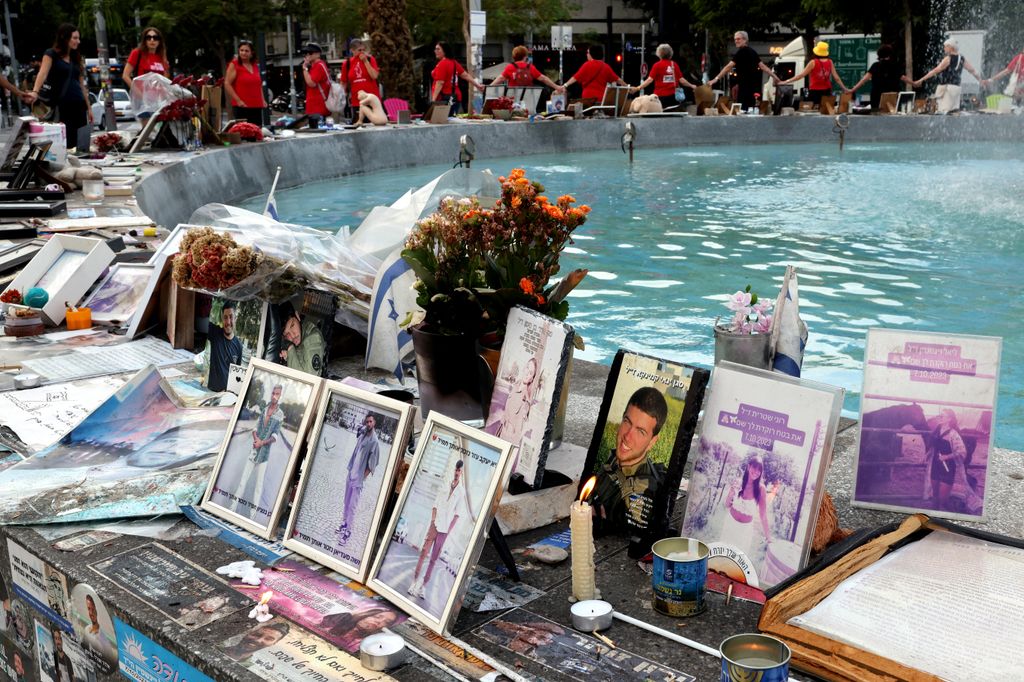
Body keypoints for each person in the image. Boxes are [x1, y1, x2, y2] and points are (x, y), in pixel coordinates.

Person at [591, 387, 668, 540]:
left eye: (640, 431)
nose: (627, 436)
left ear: (652, 442)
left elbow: (629, 542)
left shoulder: (643, 490)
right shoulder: (614, 459)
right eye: (627, 422)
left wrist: (602, 528)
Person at [408, 460, 466, 599]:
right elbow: (435, 505)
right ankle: (414, 582)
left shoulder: (461, 492)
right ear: (454, 470)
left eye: (459, 471)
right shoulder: (445, 485)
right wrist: (433, 520)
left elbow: (457, 515)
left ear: (462, 473)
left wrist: (447, 532)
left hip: (444, 531)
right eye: (456, 470)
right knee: (423, 552)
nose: (457, 473)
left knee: (434, 559)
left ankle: (423, 586)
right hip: (435, 524)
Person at [25, 24, 92, 144]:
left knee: (81, 144)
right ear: (64, 38)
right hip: (62, 106)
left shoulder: (76, 58)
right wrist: (35, 91)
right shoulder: (51, 54)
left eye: (78, 38)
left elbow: (82, 85)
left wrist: (89, 108)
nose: (78, 41)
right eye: (75, 38)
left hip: (79, 106)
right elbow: (42, 73)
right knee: (65, 143)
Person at [235, 384, 284, 516]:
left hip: (264, 455)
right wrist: (256, 439)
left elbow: (275, 436)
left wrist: (262, 443)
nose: (274, 396)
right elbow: (255, 427)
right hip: (254, 450)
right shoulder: (264, 409)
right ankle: (232, 508)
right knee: (242, 481)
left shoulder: (280, 414)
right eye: (273, 393)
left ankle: (252, 516)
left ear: (280, 396)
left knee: (258, 486)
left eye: (277, 394)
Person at [906, 39, 983, 114]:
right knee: (954, 112)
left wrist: (921, 80)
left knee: (943, 111)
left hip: (947, 89)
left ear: (951, 47)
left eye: (945, 46)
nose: (944, 48)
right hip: (956, 88)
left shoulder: (948, 59)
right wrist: (981, 80)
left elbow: (935, 70)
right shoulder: (962, 59)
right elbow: (972, 70)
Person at [337, 413, 382, 542]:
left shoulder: (374, 441)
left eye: (370, 422)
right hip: (351, 473)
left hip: (358, 479)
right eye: (367, 421)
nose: (368, 424)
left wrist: (361, 478)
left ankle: (348, 531)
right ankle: (344, 524)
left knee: (352, 506)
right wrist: (351, 472)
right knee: (346, 502)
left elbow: (373, 464)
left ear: (374, 423)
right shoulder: (362, 434)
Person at [709, 31, 780, 111]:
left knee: (743, 111)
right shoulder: (753, 52)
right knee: (750, 109)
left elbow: (728, 67)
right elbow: (763, 67)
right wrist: (775, 77)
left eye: (738, 39)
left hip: (744, 88)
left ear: (745, 40)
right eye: (735, 39)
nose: (736, 41)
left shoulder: (741, 52)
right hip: (752, 87)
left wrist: (716, 78)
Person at [721, 455, 771, 563]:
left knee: (737, 563)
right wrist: (731, 492)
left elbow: (763, 515)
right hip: (729, 525)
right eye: (754, 467)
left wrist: (769, 537)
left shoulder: (761, 489)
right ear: (749, 467)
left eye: (759, 470)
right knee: (723, 558)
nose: (756, 472)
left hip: (744, 531)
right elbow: (726, 504)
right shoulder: (738, 482)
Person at [631, 43, 698, 110]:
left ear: (659, 54)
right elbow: (682, 80)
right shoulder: (674, 64)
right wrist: (692, 86)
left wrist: (638, 88)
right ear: (670, 54)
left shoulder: (657, 65)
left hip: (659, 98)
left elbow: (649, 80)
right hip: (673, 98)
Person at [559, 44, 628, 108]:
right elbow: (618, 79)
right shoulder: (606, 67)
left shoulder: (587, 65)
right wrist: (627, 87)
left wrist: (565, 85)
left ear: (592, 54)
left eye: (588, 52)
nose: (587, 55)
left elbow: (575, 77)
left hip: (588, 100)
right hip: (601, 100)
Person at [779, 41, 848, 106]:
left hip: (815, 91)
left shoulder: (813, 62)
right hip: (827, 91)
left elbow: (801, 76)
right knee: (826, 110)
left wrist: (785, 81)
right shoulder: (830, 62)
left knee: (814, 111)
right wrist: (844, 89)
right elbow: (837, 78)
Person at [927, 409, 967, 510]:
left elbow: (962, 452)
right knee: (935, 495)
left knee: (942, 499)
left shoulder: (953, 434)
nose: (939, 418)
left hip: (948, 468)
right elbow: (934, 446)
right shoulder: (937, 430)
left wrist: (946, 456)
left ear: (949, 419)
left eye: (942, 416)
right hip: (936, 466)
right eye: (939, 415)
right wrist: (927, 454)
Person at [430, 42, 484, 115]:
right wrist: (477, 85)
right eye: (435, 49)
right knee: (451, 119)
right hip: (455, 97)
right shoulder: (454, 62)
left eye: (438, 49)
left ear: (444, 51)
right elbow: (465, 75)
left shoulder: (442, 64)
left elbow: (440, 82)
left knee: (441, 121)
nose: (435, 51)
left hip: (444, 98)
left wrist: (433, 100)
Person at [848, 44, 902, 111]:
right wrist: (914, 83)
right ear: (889, 55)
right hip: (891, 96)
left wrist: (853, 89)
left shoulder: (875, 66)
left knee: (876, 117)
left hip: (876, 97)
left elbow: (864, 79)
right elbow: (903, 77)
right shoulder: (894, 67)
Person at [278, 302, 326, 376]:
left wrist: (290, 349)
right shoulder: (300, 337)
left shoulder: (313, 337)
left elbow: (308, 379)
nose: (292, 336)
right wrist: (288, 356)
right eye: (286, 334)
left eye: (292, 326)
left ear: (297, 316)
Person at [225, 40, 266, 125]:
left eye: (246, 51)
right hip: (242, 106)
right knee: (244, 133)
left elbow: (259, 85)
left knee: (256, 132)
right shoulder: (234, 64)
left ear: (252, 53)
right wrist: (238, 100)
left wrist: (263, 100)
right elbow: (227, 84)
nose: (243, 53)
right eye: (241, 50)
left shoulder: (255, 65)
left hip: (256, 105)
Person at [320, 607, 397, 652]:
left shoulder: (365, 644)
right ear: (366, 615)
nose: (379, 621)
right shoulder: (342, 618)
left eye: (386, 622)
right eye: (377, 617)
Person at [207, 301, 242, 393]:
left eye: (231, 317)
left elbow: (236, 375)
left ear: (236, 318)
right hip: (211, 392)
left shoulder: (239, 346)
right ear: (222, 319)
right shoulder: (214, 333)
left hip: (227, 395)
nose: (228, 322)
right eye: (225, 317)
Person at [489, 45, 561, 91]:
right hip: (527, 96)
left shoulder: (510, 67)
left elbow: (500, 78)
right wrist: (556, 87)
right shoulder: (530, 67)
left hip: (513, 97)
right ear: (525, 56)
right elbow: (543, 79)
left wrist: (489, 87)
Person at [340, 39, 380, 119]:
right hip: (356, 102)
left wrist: (365, 62)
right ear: (352, 50)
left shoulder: (370, 59)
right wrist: (341, 96)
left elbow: (374, 76)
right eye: (359, 50)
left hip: (372, 101)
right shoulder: (347, 63)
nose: (362, 52)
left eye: (363, 50)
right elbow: (343, 82)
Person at [223, 621, 289, 660]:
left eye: (268, 639)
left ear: (274, 643)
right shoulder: (222, 644)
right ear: (248, 632)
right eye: (256, 634)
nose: (258, 640)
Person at [301, 43, 331, 128]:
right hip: (316, 107)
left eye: (310, 53)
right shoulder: (316, 66)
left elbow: (311, 83)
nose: (307, 55)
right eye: (306, 53)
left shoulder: (319, 66)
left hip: (318, 108)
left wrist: (304, 68)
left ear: (318, 54)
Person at [81, 594, 116, 663]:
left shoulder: (104, 637)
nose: (91, 613)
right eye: (89, 609)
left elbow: (109, 660)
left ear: (96, 610)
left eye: (93, 609)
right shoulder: (87, 629)